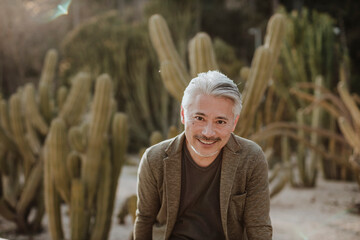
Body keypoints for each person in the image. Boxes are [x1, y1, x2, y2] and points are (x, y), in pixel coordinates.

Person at [134, 70, 272, 240]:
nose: (208, 132)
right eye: (199, 118)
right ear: (183, 115)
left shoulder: (252, 158)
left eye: (220, 121)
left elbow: (258, 227)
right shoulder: (154, 159)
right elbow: (145, 220)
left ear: (234, 123)